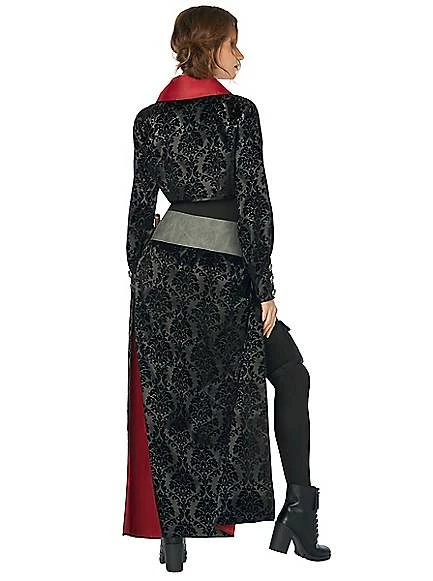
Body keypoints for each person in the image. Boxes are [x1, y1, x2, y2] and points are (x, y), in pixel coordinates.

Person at [122, 6, 331, 571]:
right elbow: (254, 202)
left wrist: (142, 280)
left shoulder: (149, 119)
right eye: (233, 43)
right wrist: (264, 285)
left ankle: (174, 537)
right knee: (289, 376)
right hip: (227, 278)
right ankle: (299, 512)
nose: (240, 54)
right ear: (208, 46)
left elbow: (139, 211)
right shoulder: (239, 113)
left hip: (163, 279)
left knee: (176, 403)